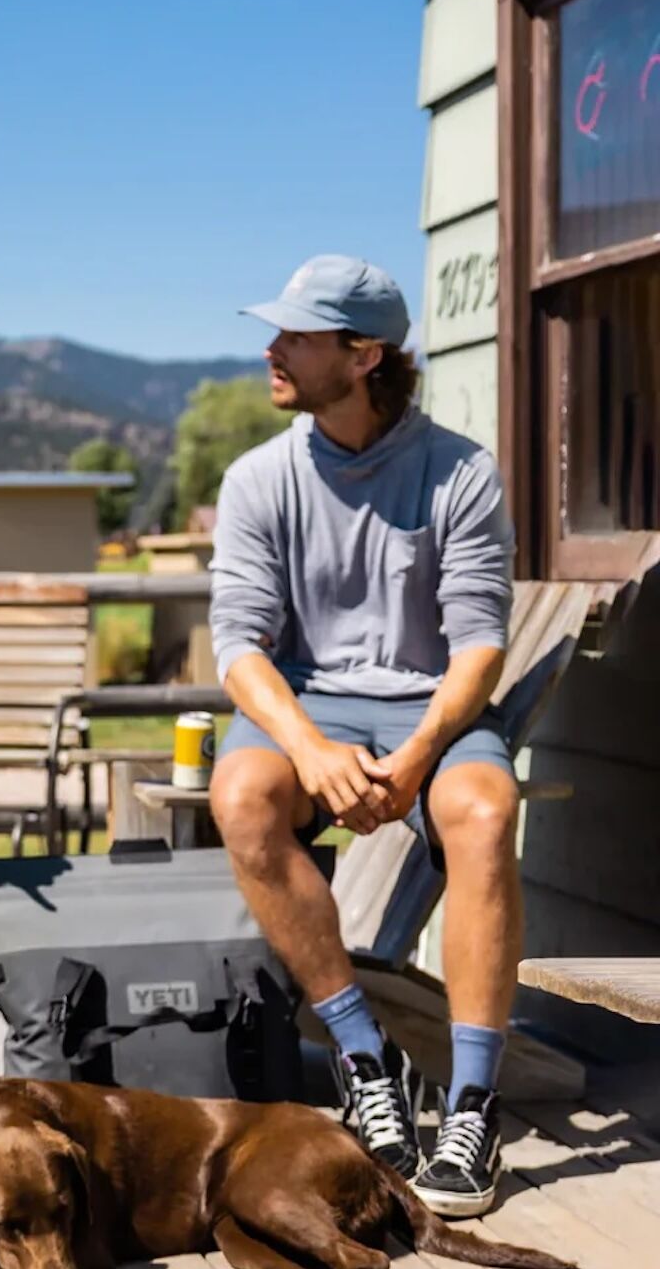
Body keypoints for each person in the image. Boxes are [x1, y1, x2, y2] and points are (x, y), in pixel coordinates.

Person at [208, 255, 519, 1220]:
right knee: (245, 798)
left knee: (486, 809)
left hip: (432, 708)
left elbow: (478, 646)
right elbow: (237, 645)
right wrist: (308, 749)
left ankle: (471, 1099)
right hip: (313, 705)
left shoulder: (461, 472)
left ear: (363, 354)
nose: (272, 349)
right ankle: (363, 1053)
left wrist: (419, 757)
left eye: (296, 336)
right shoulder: (261, 478)